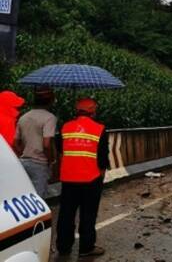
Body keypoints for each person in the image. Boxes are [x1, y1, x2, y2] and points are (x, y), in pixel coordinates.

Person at [56, 98, 109, 258]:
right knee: (88, 215)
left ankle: (64, 247)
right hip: (91, 179)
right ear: (92, 111)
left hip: (68, 179)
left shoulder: (65, 127)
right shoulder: (99, 129)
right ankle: (86, 248)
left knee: (66, 214)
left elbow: (59, 148)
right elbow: (102, 158)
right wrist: (101, 175)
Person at [15, 87, 57, 198]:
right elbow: (47, 144)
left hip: (23, 163)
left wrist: (24, 154)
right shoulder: (49, 118)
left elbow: (16, 142)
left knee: (25, 198)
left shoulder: (23, 117)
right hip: (39, 164)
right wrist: (50, 161)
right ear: (50, 101)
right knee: (39, 199)